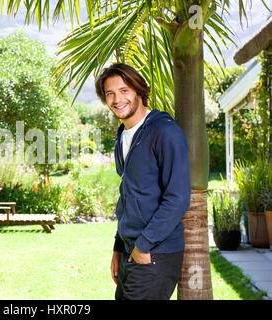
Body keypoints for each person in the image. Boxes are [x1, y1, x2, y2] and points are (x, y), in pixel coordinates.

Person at [95, 63, 191, 300]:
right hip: (131, 250)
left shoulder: (165, 132)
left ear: (139, 91)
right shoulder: (123, 134)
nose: (117, 99)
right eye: (110, 93)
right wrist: (119, 247)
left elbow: (177, 199)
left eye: (124, 90)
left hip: (154, 253)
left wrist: (144, 246)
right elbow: (129, 195)